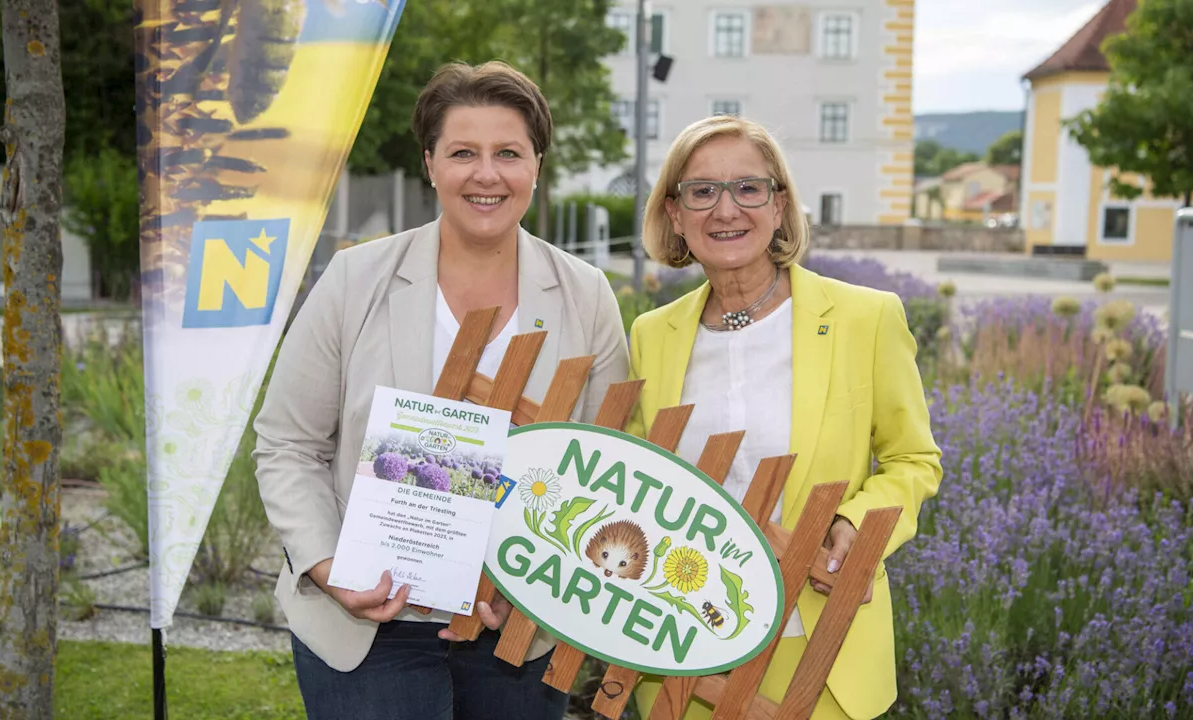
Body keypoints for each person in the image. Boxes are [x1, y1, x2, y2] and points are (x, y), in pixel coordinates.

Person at [252, 60, 630, 720]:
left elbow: (606, 467)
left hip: (516, 629)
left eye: (508, 153)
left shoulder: (585, 296)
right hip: (367, 631)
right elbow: (288, 444)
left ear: (536, 165)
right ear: (430, 163)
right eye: (463, 153)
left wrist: (536, 583)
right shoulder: (354, 280)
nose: (487, 174)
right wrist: (327, 566)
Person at [626, 115, 942, 719]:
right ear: (674, 213)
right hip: (685, 643)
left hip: (821, 646)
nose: (726, 210)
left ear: (780, 206)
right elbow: (637, 478)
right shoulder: (652, 335)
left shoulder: (864, 317)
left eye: (749, 188)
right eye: (702, 191)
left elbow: (912, 459)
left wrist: (856, 526)